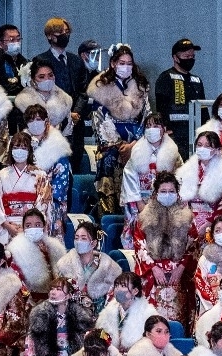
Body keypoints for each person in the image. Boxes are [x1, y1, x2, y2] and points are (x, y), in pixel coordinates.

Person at [87, 44, 150, 216]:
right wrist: (119, 144)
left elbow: (146, 117)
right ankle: (108, 216)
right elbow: (99, 118)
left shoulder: (141, 86)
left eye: (129, 63)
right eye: (122, 62)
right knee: (108, 160)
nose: (126, 66)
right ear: (113, 63)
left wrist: (135, 143)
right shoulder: (101, 87)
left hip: (136, 141)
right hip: (112, 143)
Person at [131, 172, 198, 326]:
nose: (167, 195)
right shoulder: (144, 218)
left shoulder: (187, 217)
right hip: (153, 273)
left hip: (178, 273)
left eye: (171, 191)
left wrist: (181, 267)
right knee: (153, 320)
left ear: (177, 193)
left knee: (180, 315)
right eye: (163, 191)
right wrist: (154, 268)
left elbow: (193, 245)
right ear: (155, 193)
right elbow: (139, 244)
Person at [120, 113, 183, 244]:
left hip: (166, 200)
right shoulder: (137, 151)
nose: (151, 129)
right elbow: (129, 175)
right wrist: (139, 202)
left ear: (164, 129)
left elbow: (180, 177)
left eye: (156, 125)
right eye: (148, 126)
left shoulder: (173, 153)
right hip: (141, 200)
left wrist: (169, 198)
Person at [36, 18, 88, 175]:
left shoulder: (76, 60)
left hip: (76, 122)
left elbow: (83, 90)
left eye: (67, 32)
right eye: (60, 32)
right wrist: (64, 113)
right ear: (50, 36)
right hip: (54, 122)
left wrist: (77, 112)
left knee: (76, 162)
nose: (65, 35)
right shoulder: (41, 60)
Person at [0, 133, 53, 246]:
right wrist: (7, 225)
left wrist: (29, 226)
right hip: (6, 225)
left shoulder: (40, 175)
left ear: (30, 151)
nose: (20, 151)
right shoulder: (0, 176)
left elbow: (44, 203)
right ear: (10, 150)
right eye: (16, 147)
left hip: (32, 228)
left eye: (24, 148)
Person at [22, 103, 72, 237]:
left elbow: (62, 181)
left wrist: (42, 200)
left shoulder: (57, 147)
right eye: (31, 120)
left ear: (46, 122)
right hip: (25, 198)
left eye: (38, 119)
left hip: (51, 201)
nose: (35, 123)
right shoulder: (20, 145)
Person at [177, 131, 222, 239]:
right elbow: (181, 198)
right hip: (190, 220)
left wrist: (209, 223)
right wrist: (187, 220)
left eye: (208, 146)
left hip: (215, 222)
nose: (202, 148)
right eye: (199, 145)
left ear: (218, 150)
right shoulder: (187, 170)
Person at [55, 220, 121, 316]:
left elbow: (113, 301)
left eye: (83, 238)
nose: (79, 242)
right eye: (76, 238)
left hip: (100, 317)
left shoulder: (109, 268)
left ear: (93, 243)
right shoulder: (64, 265)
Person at [155, 38, 205, 158]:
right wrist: (165, 129)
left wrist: (206, 131)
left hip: (195, 134)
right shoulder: (166, 77)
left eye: (192, 56)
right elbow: (160, 108)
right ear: (175, 58)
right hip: (174, 135)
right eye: (186, 56)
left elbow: (203, 108)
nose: (190, 59)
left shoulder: (197, 80)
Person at [5, 208, 66, 303]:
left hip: (57, 299)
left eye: (37, 225)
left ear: (44, 227)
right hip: (29, 301)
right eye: (28, 226)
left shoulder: (56, 247)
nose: (33, 228)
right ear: (23, 228)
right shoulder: (15, 250)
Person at [95, 272, 158, 354]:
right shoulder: (108, 311)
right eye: (116, 286)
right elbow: (100, 333)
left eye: (123, 286)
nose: (118, 289)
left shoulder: (148, 313)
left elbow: (153, 342)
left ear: (135, 291)